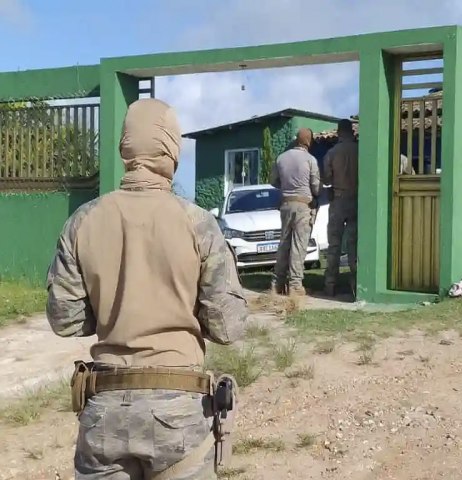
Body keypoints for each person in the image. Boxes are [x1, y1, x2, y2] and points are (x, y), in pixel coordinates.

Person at [45, 98, 248, 479]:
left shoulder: (82, 221)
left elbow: (65, 320)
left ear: (125, 147)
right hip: (180, 411)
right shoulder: (197, 223)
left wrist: (114, 306)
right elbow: (228, 326)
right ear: (171, 148)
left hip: (104, 409)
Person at [270, 127, 320, 296]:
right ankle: (295, 285)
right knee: (299, 244)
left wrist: (286, 186)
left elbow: (273, 181)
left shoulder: (281, 158)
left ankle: (277, 283)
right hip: (303, 205)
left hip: (285, 204)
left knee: (284, 243)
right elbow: (316, 186)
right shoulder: (310, 160)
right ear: (308, 141)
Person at [322, 119, 358, 298]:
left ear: (338, 132)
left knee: (334, 243)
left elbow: (326, 179)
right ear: (352, 131)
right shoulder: (361, 150)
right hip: (357, 200)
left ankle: (330, 283)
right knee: (354, 243)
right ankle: (356, 281)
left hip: (338, 199)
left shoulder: (332, 153)